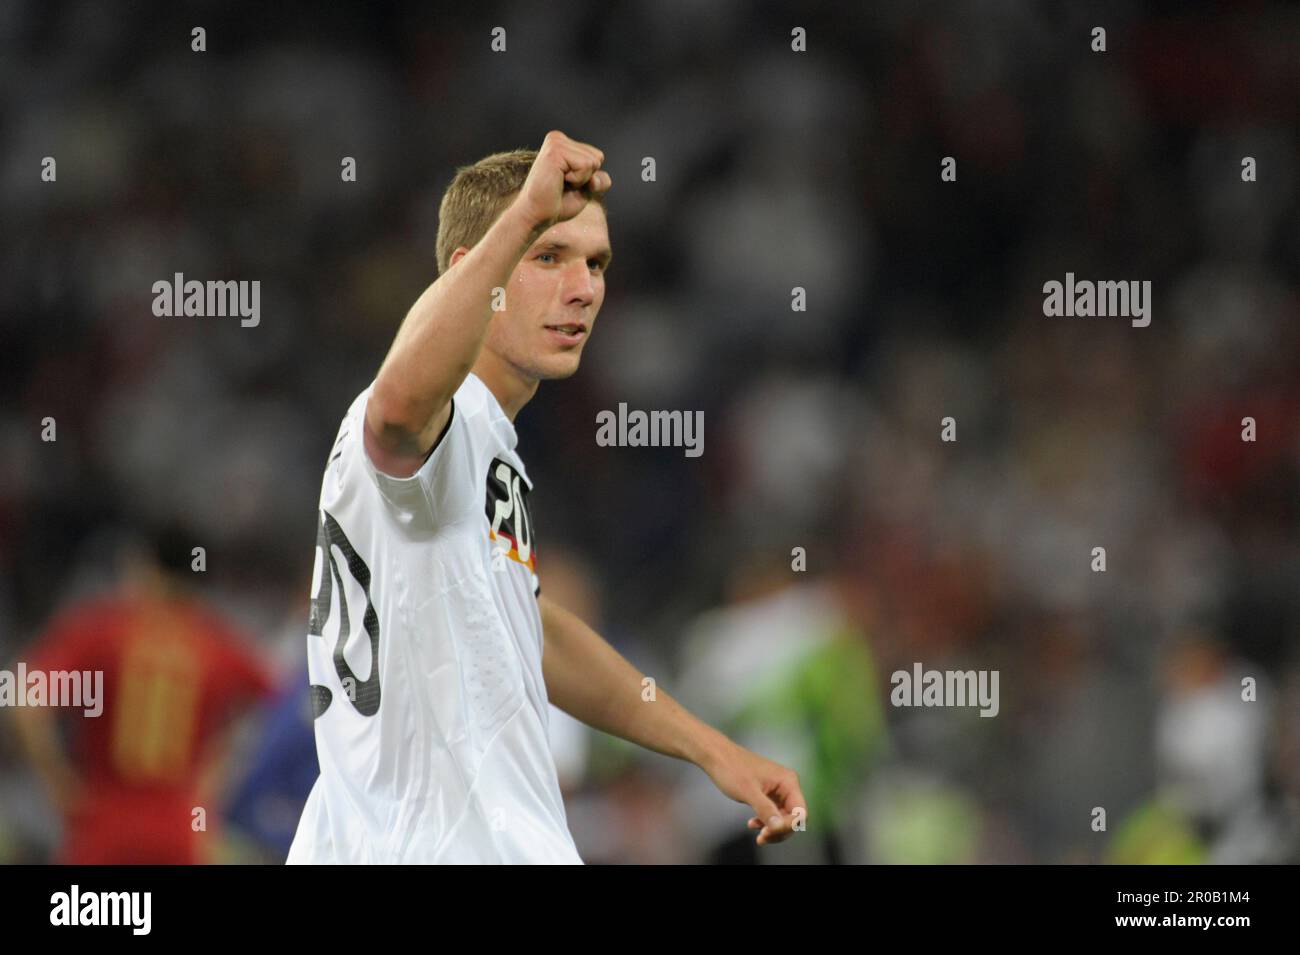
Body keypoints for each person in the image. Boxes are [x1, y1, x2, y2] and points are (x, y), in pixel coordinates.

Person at [288, 131, 806, 863]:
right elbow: (396, 411)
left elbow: (535, 630)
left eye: (595, 263)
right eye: (547, 255)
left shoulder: (483, 443)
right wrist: (525, 209)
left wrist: (713, 751)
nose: (584, 287)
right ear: (474, 274)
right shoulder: (444, 418)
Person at [13, 526, 274, 864]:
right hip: (181, 828)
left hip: (103, 824)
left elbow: (26, 702)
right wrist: (219, 768)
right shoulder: (217, 642)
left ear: (143, 566)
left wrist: (59, 785)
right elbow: (279, 707)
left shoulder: (101, 631)